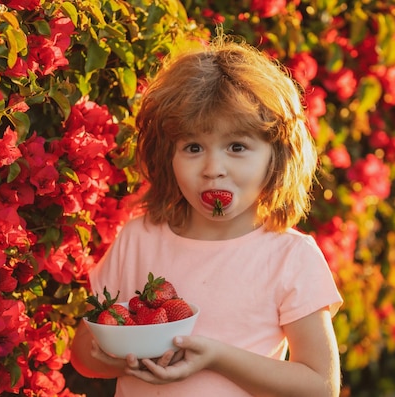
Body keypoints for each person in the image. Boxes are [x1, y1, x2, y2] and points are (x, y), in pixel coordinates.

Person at [70, 34, 343, 397]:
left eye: (237, 147)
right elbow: (82, 354)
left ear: (275, 157)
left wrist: (216, 357)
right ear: (168, 156)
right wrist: (122, 357)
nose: (214, 168)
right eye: (193, 147)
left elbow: (320, 386)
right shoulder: (139, 238)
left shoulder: (289, 258)